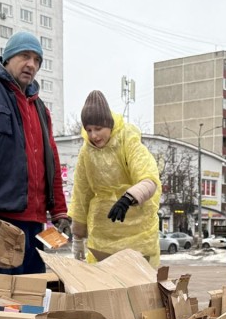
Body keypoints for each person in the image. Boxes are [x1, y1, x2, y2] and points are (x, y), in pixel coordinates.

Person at [0, 31, 70, 275]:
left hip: (37, 224)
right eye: (25, 56)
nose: (32, 64)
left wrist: (59, 210)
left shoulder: (41, 110)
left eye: (37, 60)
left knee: (32, 298)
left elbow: (51, 164)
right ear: (7, 58)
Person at [69, 91, 161, 266]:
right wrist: (78, 237)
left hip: (138, 233)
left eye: (98, 128)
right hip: (102, 235)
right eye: (88, 129)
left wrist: (128, 198)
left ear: (109, 125)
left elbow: (149, 179)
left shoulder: (128, 141)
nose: (93, 135)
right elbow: (81, 195)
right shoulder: (86, 153)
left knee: (139, 286)